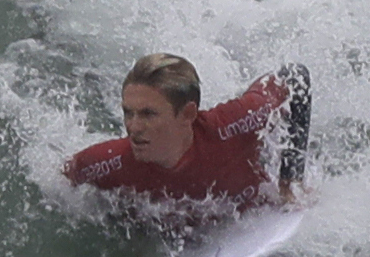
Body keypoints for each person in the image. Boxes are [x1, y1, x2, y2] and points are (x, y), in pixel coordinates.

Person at [63, 54, 310, 212]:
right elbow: (61, 181)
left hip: (249, 199)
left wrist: (290, 182)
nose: (134, 127)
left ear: (188, 114)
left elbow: (295, 76)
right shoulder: (110, 161)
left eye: (148, 114)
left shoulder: (235, 123)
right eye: (128, 113)